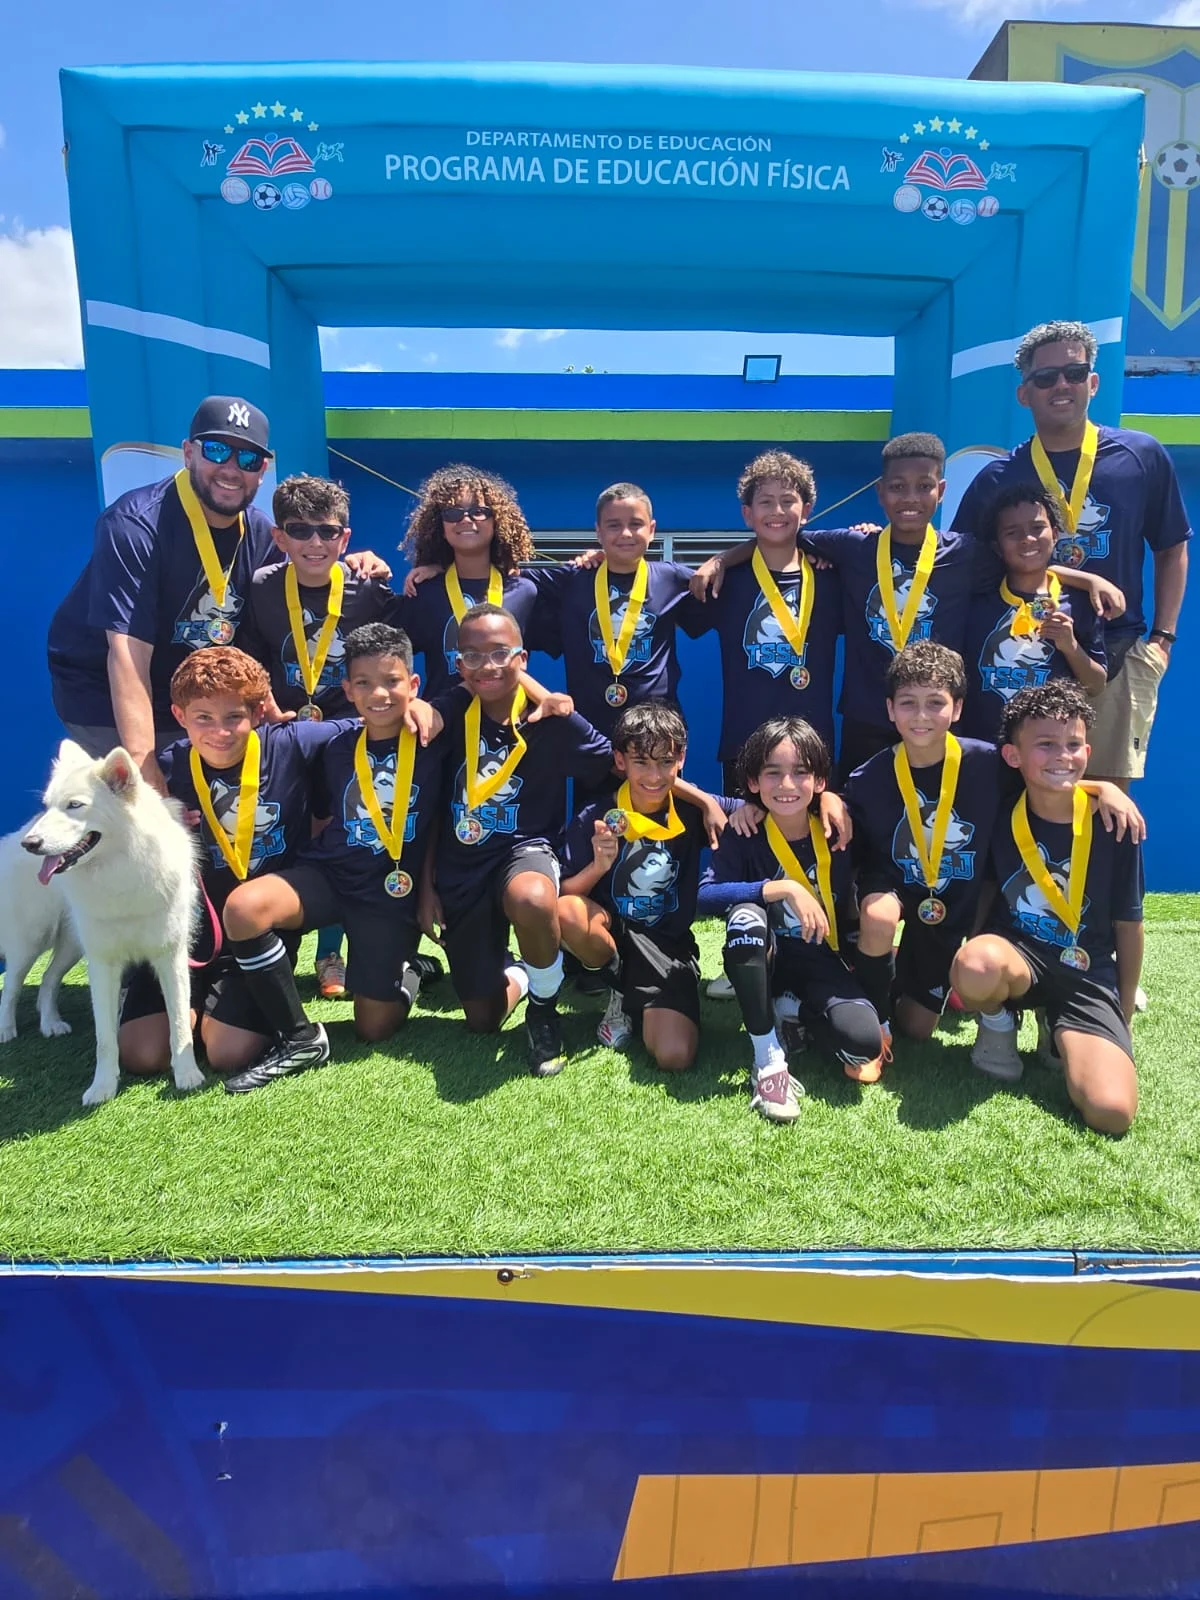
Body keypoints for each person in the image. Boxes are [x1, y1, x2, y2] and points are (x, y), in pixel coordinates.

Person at [692, 433, 1118, 777]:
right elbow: (781, 536)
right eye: (897, 487)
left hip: (937, 717)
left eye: (923, 486)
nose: (910, 497)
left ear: (941, 491)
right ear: (881, 493)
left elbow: (1024, 562)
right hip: (869, 720)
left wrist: (1085, 577)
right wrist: (720, 559)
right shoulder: (853, 547)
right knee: (861, 826)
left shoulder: (966, 553)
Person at [954, 318, 1191, 786]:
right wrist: (1085, 578)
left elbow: (1172, 546)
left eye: (1074, 373)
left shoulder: (1141, 455)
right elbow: (964, 562)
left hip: (1116, 650)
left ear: (1094, 382)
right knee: (1013, 800)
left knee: (1104, 803)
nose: (1061, 385)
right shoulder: (999, 478)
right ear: (1025, 393)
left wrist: (1163, 640)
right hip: (1021, 650)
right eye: (1045, 378)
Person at [218, 624, 445, 1090]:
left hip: (388, 893)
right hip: (328, 874)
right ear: (347, 690)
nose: (378, 694)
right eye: (363, 683)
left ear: (414, 684)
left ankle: (410, 973)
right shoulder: (333, 742)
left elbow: (440, 825)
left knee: (373, 1028)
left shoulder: (436, 742)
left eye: (392, 681)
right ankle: (300, 1037)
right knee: (244, 908)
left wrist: (427, 892)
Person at [115, 646, 340, 1081]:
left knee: (227, 1053)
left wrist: (424, 708)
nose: (220, 731)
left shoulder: (291, 742)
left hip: (252, 932)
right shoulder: (162, 771)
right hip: (182, 935)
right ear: (180, 716)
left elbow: (371, 724)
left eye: (233, 716)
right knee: (143, 1055)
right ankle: (190, 996)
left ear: (257, 713)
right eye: (203, 718)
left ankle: (232, 1007)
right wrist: (153, 820)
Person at [47, 397, 278, 793]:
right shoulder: (136, 523)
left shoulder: (260, 533)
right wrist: (142, 760)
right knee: (136, 812)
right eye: (218, 450)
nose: (232, 469)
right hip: (102, 691)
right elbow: (127, 651)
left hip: (194, 700)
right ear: (188, 454)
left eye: (248, 459)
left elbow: (296, 591)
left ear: (263, 471)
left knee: (210, 809)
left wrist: (356, 563)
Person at [422, 603, 613, 1077]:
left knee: (531, 898)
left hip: (522, 852)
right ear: (458, 664)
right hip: (460, 868)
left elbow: (604, 759)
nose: (487, 665)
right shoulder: (448, 713)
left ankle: (544, 1011)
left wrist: (547, 699)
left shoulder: (546, 718)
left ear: (521, 658)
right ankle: (523, 974)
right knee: (483, 1019)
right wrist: (426, 888)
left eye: (499, 653)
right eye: (472, 655)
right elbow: (424, 810)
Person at [951, 681, 1142, 1136]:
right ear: (1014, 757)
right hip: (1019, 957)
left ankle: (1056, 1030)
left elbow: (1129, 926)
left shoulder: (1116, 823)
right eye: (1046, 745)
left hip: (1086, 972)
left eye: (1074, 744)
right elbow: (986, 891)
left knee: (1110, 1113)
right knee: (976, 964)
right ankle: (999, 1025)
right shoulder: (1000, 811)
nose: (1063, 755)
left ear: (1088, 750)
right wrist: (965, 968)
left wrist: (1124, 1012)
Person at [237, 473, 397, 999]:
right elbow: (251, 651)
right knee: (281, 830)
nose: (314, 543)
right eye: (299, 531)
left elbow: (400, 642)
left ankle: (332, 954)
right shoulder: (261, 586)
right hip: (282, 730)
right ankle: (272, 946)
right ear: (279, 537)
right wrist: (264, 701)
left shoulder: (368, 588)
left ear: (344, 539)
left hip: (346, 735)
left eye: (328, 532)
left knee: (338, 831)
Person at [699, 717, 886, 1121]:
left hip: (823, 958)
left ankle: (791, 1011)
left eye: (800, 773)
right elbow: (705, 894)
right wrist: (781, 888)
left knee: (863, 1044)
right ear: (753, 782)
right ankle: (768, 1058)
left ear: (820, 781)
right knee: (746, 918)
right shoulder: (743, 831)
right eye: (773, 773)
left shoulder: (838, 828)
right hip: (765, 956)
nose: (786, 785)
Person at [558, 699, 722, 1074]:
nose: (654, 775)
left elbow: (758, 809)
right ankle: (618, 987)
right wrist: (599, 866)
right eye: (641, 762)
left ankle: (641, 998)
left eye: (665, 761)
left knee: (674, 1056)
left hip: (668, 945)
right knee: (568, 911)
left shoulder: (694, 812)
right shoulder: (596, 816)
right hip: (616, 936)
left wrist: (710, 801)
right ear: (620, 761)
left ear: (681, 759)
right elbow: (565, 894)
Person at [679, 451, 841, 795]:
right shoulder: (725, 581)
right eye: (766, 502)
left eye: (788, 501)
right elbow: (653, 596)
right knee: (744, 845)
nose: (778, 511)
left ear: (807, 510)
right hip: (745, 749)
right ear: (747, 514)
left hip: (813, 751)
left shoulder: (832, 578)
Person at [524, 483, 696, 751]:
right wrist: (437, 564)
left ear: (651, 530)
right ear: (598, 531)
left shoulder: (672, 578)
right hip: (592, 736)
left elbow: (724, 578)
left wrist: (722, 561)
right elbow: (503, 576)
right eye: (613, 525)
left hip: (657, 733)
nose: (625, 533)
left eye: (635, 524)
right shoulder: (574, 579)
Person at [960, 483, 1106, 741]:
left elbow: (1096, 684)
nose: (1027, 539)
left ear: (1056, 533)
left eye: (1037, 528)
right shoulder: (975, 601)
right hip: (980, 747)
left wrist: (1069, 645)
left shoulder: (1080, 604)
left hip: (1048, 752)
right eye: (1012, 533)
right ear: (997, 546)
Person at [394, 464, 540, 698]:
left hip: (509, 723)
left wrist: (599, 555)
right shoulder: (425, 592)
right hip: (443, 725)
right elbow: (391, 657)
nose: (465, 519)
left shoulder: (524, 592)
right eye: (452, 513)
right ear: (440, 526)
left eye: (478, 511)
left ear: (497, 521)